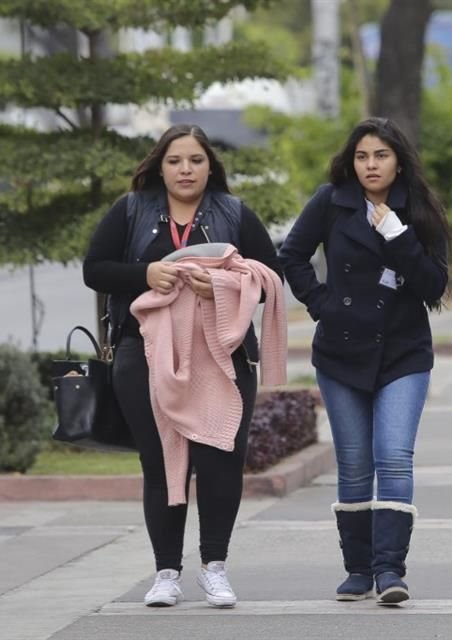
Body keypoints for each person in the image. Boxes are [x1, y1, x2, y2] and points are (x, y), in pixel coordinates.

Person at [83, 124, 283, 609]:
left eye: (195, 160)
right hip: (144, 354)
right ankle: (165, 572)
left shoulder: (233, 213)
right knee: (159, 463)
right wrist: (145, 274)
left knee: (220, 462)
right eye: (175, 161)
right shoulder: (132, 209)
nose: (186, 170)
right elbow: (95, 269)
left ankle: (215, 567)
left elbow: (270, 272)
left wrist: (222, 286)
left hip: (223, 355)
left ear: (210, 165)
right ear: (160, 166)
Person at [278, 117, 450, 605]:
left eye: (381, 156)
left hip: (403, 352)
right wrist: (322, 304)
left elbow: (433, 287)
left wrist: (398, 237)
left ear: (398, 162)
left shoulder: (416, 208)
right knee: (354, 463)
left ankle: (390, 571)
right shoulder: (331, 201)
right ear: (351, 162)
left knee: (393, 455)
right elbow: (291, 256)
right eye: (362, 156)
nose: (371, 165)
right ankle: (357, 569)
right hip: (341, 351)